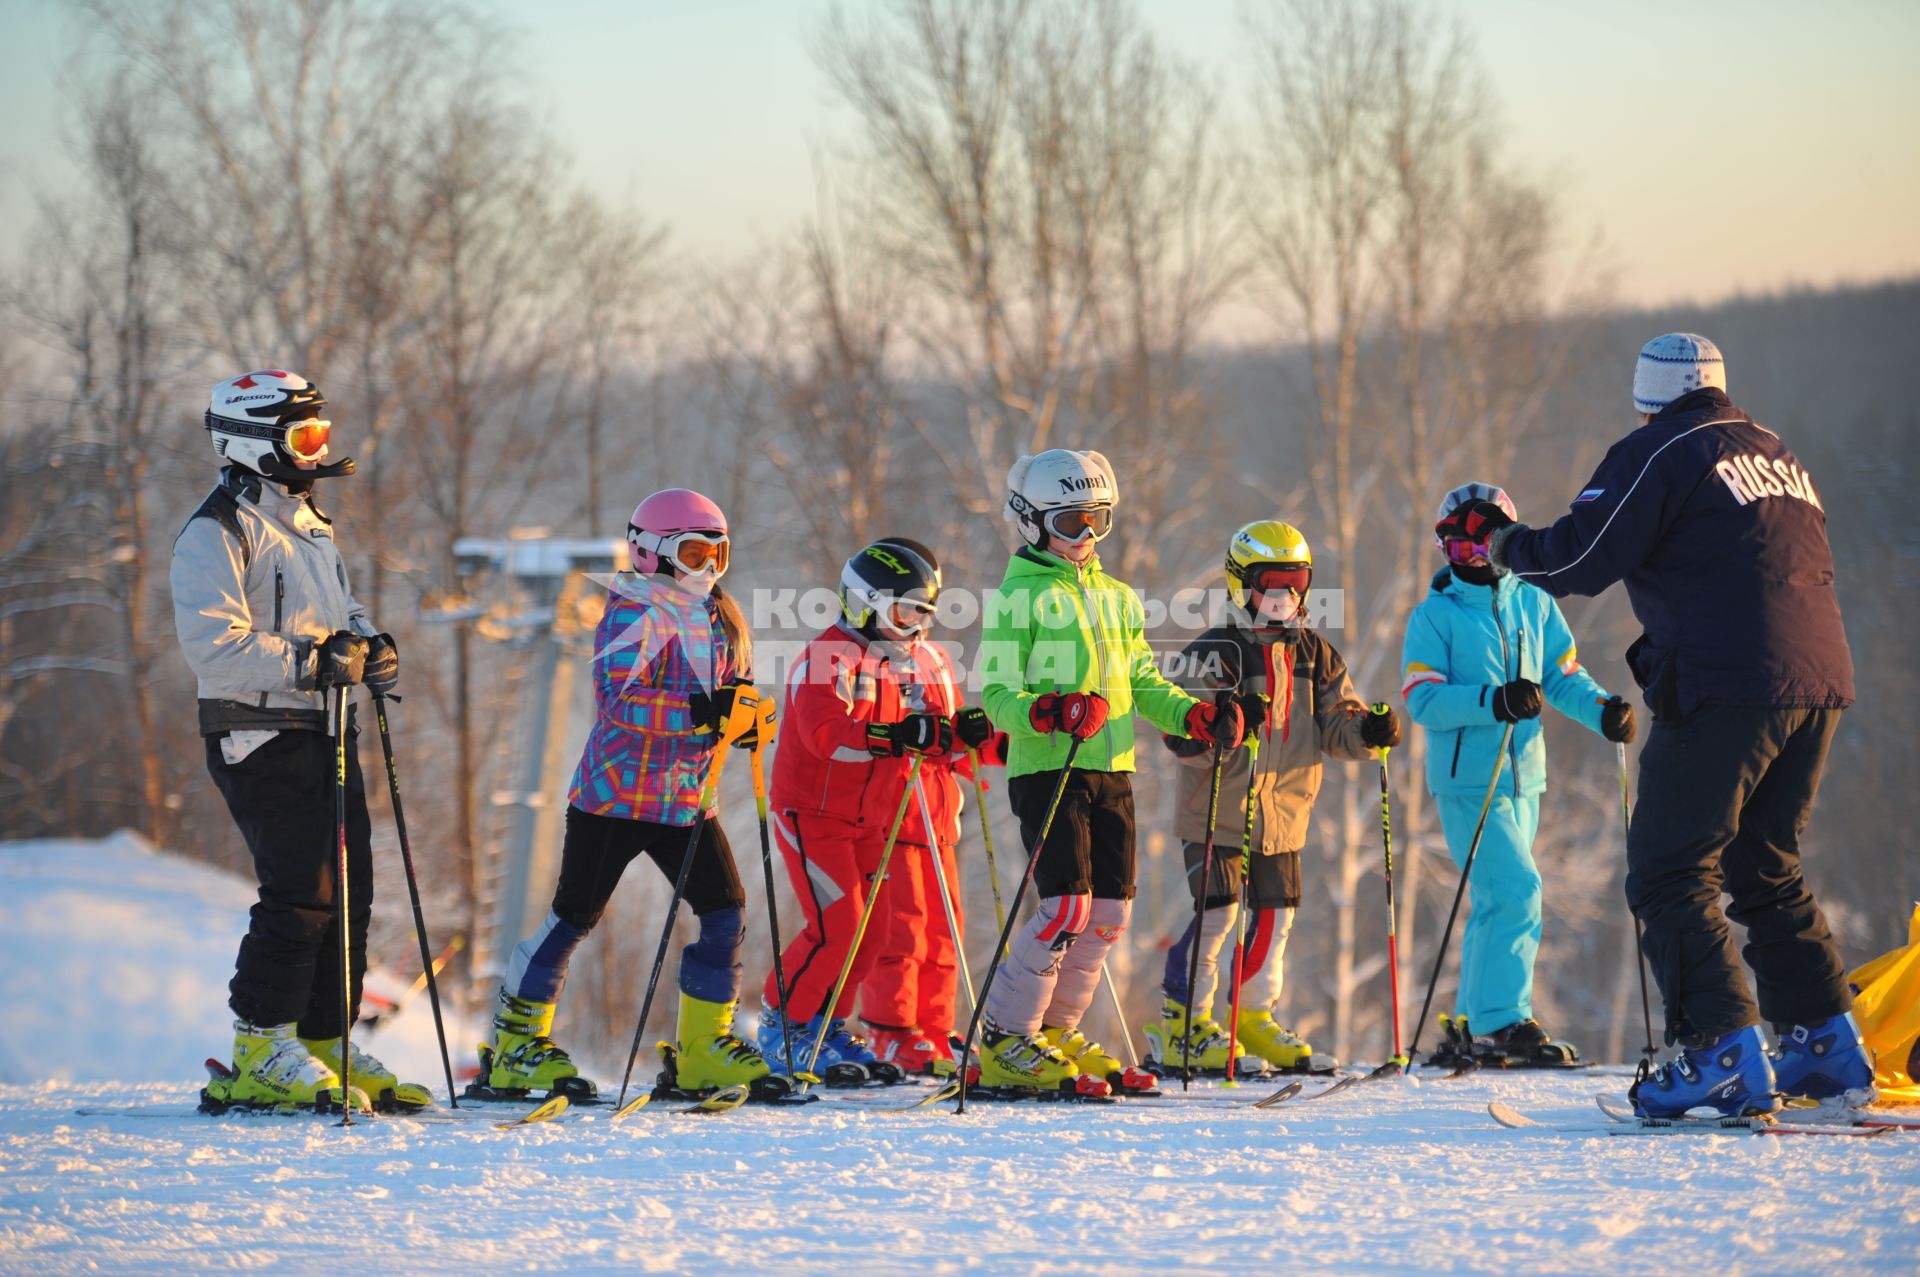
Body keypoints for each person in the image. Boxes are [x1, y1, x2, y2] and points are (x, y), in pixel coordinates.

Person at [1475, 333, 1872, 1116]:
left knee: (1668, 870)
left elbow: (1574, 562)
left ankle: (1720, 1051)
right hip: (1820, 680)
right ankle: (1823, 1046)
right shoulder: (1774, 451)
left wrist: (1502, 545)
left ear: (1647, 396)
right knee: (1765, 862)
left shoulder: (1661, 449)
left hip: (1726, 683)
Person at [172, 370, 422, 1113]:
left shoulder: (309, 522)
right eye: (304, 436)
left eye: (321, 435)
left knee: (351, 890)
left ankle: (323, 1040)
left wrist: (371, 644)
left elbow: (341, 608)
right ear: (252, 442)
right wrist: (313, 663)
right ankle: (260, 1044)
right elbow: (213, 645)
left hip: (326, 724)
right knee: (302, 888)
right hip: (255, 730)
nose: (318, 451)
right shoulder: (216, 531)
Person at [479, 488, 771, 1100]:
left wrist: (746, 718)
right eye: (695, 553)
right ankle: (516, 1045)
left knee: (726, 914)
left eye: (719, 554)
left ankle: (702, 1049)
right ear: (651, 554)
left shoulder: (722, 615)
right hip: (616, 796)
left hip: (687, 798)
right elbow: (620, 701)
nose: (709, 568)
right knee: (575, 917)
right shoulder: (634, 610)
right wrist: (703, 712)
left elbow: (731, 692)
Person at [974, 449, 1236, 1096]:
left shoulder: (1117, 599)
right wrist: (1049, 708)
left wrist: (1190, 717)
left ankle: (1057, 1032)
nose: (1086, 537)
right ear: (1032, 523)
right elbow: (997, 692)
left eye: (1099, 521)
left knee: (1110, 914)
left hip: (1111, 766)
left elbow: (1141, 680)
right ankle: (1008, 1036)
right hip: (1048, 769)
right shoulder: (1018, 599)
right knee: (1066, 905)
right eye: (1071, 523)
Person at [1148, 521, 1394, 1076]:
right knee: (1219, 913)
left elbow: (1338, 725)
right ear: (1240, 584)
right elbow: (1179, 736)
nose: (1284, 596)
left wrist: (1368, 734)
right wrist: (1227, 725)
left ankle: (1253, 1018)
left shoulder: (1316, 654)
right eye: (1271, 582)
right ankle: (1183, 1024)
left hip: (1285, 814)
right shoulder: (1215, 651)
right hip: (1219, 812)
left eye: (1296, 582)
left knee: (1276, 918)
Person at [756, 538, 1004, 1081]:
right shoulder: (831, 655)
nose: (914, 625)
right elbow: (828, 736)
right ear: (864, 603)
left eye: (922, 613)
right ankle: (783, 1026)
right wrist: (897, 734)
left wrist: (965, 736)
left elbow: (923, 739)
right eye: (903, 611)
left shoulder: (902, 662)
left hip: (871, 820)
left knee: (872, 930)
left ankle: (827, 1028)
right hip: (812, 813)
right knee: (837, 924)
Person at [1405, 482, 1633, 1068]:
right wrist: (1493, 701)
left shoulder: (1534, 602)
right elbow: (1423, 700)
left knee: (1494, 897)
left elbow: (1562, 676)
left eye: (1485, 547)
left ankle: (1478, 1022)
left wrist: (1602, 709)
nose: (1475, 560)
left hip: (1524, 777)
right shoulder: (1434, 617)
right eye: (1460, 550)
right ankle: (1504, 1019)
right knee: (1516, 890)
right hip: (1466, 783)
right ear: (1443, 550)